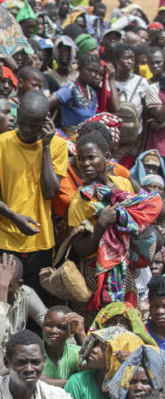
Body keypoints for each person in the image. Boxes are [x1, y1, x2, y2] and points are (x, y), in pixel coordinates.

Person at [67, 134, 160, 320]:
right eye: (81, 159)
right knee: (96, 327)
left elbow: (144, 212)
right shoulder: (80, 200)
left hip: (125, 271)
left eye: (91, 157)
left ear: (107, 156)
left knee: (126, 323)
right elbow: (81, 249)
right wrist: (101, 224)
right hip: (95, 276)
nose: (85, 163)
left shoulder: (123, 184)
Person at [0, 91, 67, 294]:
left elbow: (50, 191)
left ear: (46, 122)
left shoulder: (58, 146)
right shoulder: (0, 143)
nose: (26, 130)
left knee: (35, 305)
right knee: (3, 297)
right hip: (7, 238)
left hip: (41, 241)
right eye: (22, 123)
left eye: (34, 126)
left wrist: (46, 146)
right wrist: (14, 217)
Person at [0, 254, 47, 346]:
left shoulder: (26, 293)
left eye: (7, 285)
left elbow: (51, 324)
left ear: (19, 284)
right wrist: (1, 287)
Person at [0, 330, 71, 399]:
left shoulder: (56, 395)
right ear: (7, 362)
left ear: (44, 362)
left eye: (35, 362)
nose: (29, 369)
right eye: (21, 362)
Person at [64, 327, 145, 399]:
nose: (94, 350)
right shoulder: (78, 382)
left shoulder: (136, 388)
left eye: (104, 349)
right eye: (95, 345)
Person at [48, 54, 103, 136]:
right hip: (69, 138)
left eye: (96, 72)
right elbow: (46, 103)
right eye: (90, 70)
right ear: (80, 68)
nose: (93, 75)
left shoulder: (92, 92)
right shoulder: (70, 88)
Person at [40, 306, 86, 387]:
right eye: (48, 325)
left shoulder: (75, 352)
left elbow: (91, 373)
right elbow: (37, 381)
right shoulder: (33, 350)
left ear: (71, 332)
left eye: (62, 327)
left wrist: (81, 333)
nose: (53, 331)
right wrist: (73, 383)